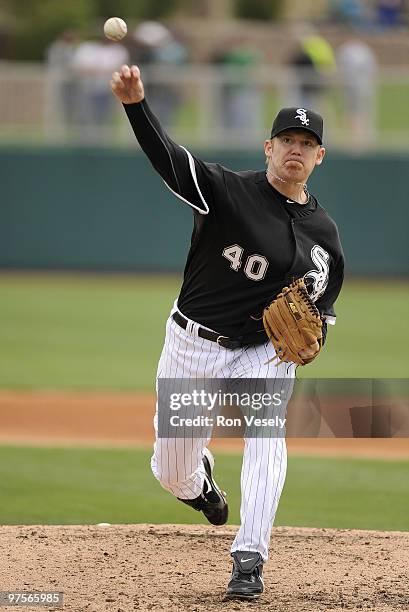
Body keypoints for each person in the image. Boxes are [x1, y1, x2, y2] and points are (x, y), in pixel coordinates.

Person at [110, 64, 344, 601]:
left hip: (260, 353)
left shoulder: (323, 235)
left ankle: (249, 558)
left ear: (319, 157)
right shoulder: (226, 191)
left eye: (307, 143)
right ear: (268, 148)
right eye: (287, 138)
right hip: (192, 344)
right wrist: (135, 105)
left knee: (266, 435)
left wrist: (315, 339)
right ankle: (201, 486)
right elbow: (168, 158)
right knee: (171, 472)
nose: (296, 148)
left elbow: (322, 310)